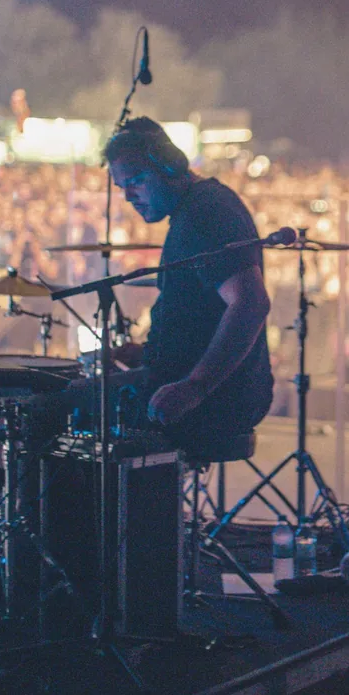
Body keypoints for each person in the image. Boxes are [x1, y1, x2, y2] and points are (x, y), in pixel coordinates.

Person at [101, 117, 275, 452]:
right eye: (122, 188)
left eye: (136, 181)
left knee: (56, 409)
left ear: (169, 165)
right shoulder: (196, 208)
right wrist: (146, 355)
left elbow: (250, 304)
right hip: (195, 385)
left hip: (218, 400)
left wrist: (196, 385)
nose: (129, 198)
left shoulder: (206, 214)